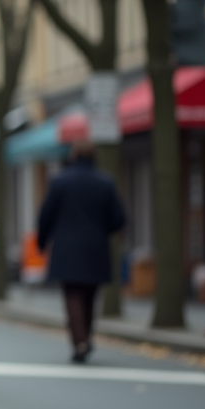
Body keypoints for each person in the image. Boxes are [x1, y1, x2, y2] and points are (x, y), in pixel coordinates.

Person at [37, 140, 126, 363]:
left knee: (72, 295)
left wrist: (42, 241)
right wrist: (102, 230)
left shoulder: (60, 182)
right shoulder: (105, 182)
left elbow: (45, 215)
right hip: (95, 247)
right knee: (90, 295)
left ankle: (80, 342)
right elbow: (119, 218)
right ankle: (85, 337)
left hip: (67, 248)